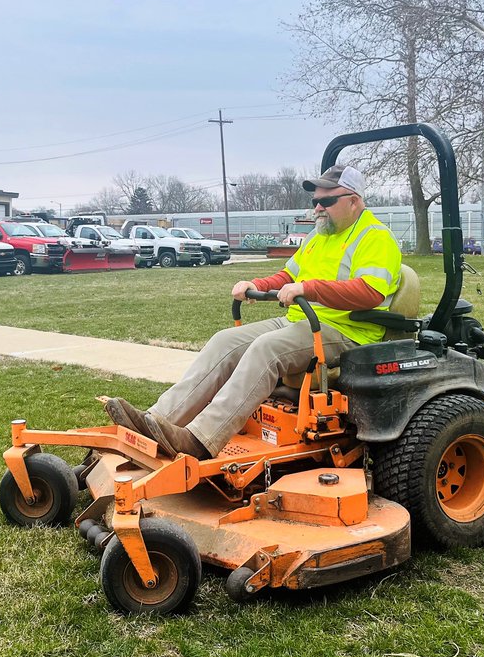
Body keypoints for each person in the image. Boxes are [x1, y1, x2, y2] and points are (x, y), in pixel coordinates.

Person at [104, 164, 402, 460]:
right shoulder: (319, 236)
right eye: (315, 203)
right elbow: (288, 276)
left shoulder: (375, 237)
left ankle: (200, 439)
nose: (318, 209)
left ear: (354, 200)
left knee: (267, 349)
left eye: (326, 201)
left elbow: (371, 293)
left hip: (348, 331)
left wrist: (309, 288)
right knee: (225, 341)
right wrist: (256, 284)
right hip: (302, 321)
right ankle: (158, 420)